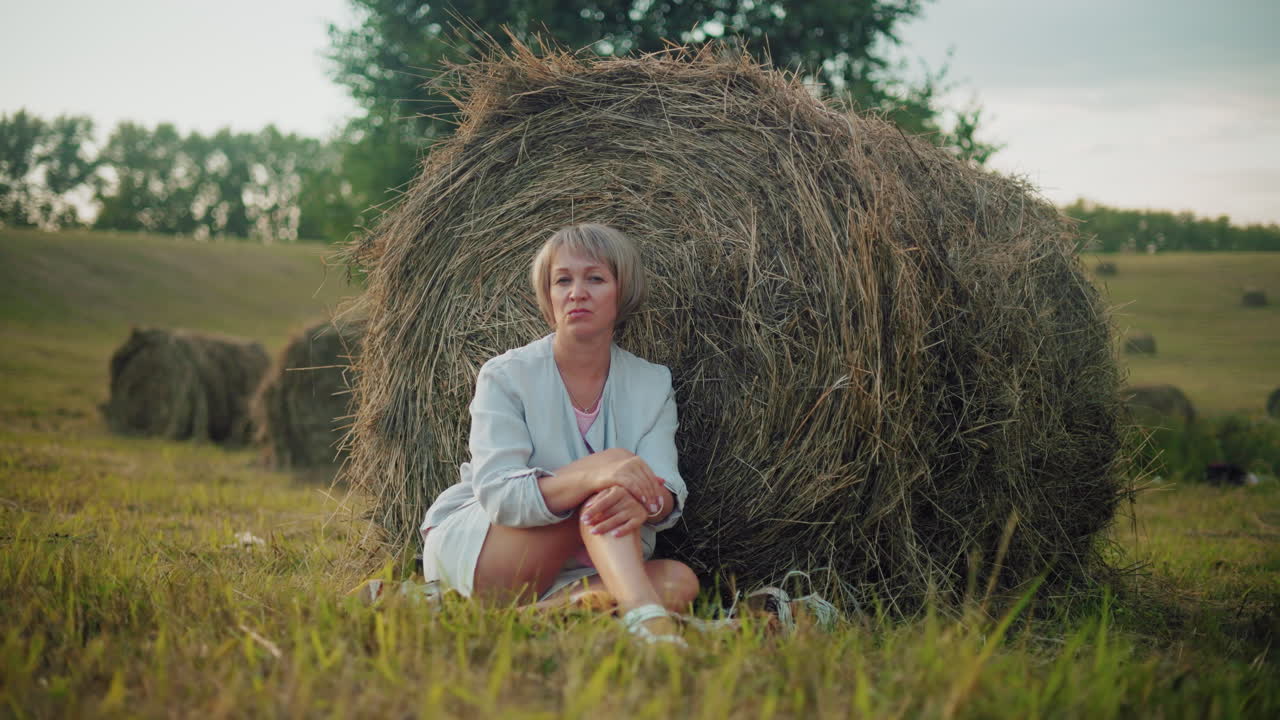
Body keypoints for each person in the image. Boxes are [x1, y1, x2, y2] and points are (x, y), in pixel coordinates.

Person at [419, 222, 699, 645]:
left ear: (622, 291)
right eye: (563, 280)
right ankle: (649, 622)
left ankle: (518, 622)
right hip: (493, 551)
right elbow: (498, 494)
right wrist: (597, 475)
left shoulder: (652, 383)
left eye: (595, 279)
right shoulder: (505, 376)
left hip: (591, 565)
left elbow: (667, 489)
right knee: (608, 477)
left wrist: (645, 503)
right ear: (548, 295)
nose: (576, 292)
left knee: (679, 582)